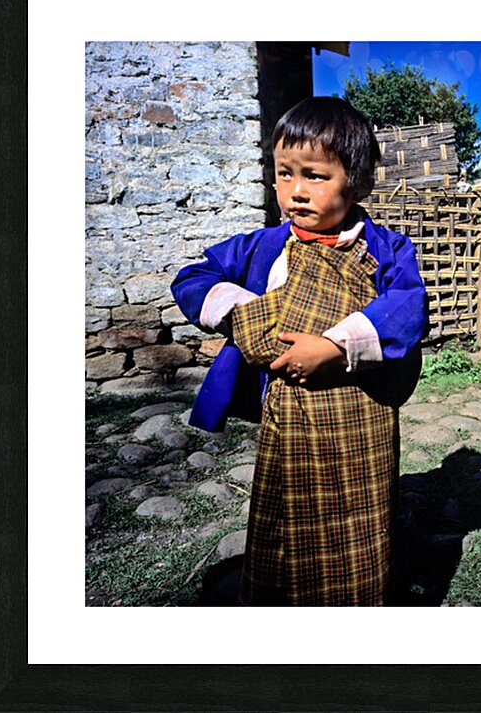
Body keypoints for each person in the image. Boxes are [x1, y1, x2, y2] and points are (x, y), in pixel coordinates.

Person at [171, 97, 429, 606]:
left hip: (360, 414)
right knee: (286, 510)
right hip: (286, 410)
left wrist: (335, 346)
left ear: (354, 180)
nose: (296, 192)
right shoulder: (261, 246)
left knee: (359, 513)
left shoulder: (386, 249)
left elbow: (408, 307)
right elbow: (193, 278)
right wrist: (247, 316)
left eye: (314, 175)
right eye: (284, 174)